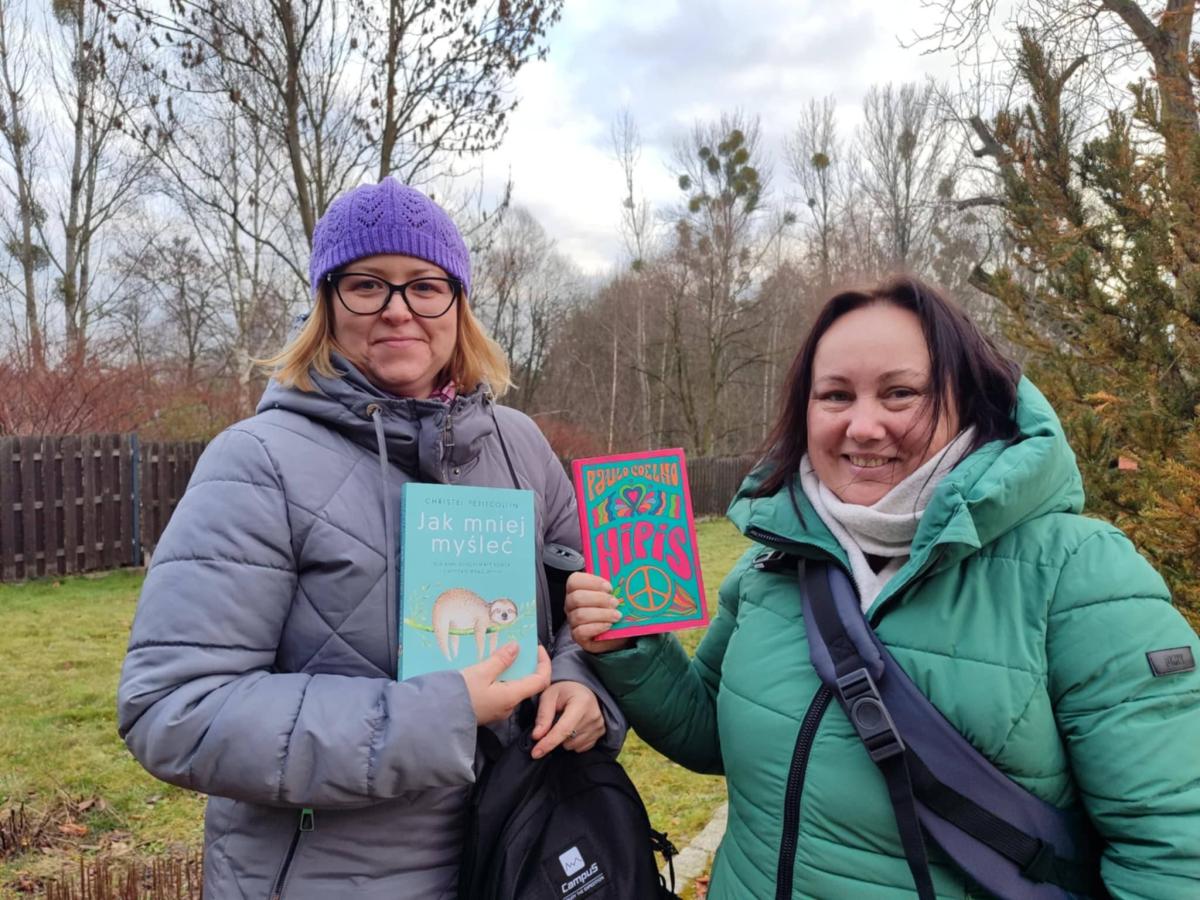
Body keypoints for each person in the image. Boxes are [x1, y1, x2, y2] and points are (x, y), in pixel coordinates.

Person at [566, 276, 1200, 898]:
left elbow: (1174, 851)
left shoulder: (1078, 573)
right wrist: (629, 649)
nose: (863, 426)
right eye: (835, 395)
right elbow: (710, 733)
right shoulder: (771, 565)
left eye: (900, 394)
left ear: (967, 399)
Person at [117, 178, 624, 899]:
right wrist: (431, 717)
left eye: (425, 286)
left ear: (458, 305)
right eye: (366, 285)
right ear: (326, 303)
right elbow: (174, 710)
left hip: (519, 855)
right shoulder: (257, 461)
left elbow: (589, 607)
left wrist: (581, 682)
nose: (397, 309)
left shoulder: (519, 446)